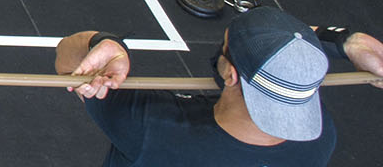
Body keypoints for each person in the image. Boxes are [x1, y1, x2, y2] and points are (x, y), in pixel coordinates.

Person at [58, 9, 383, 165]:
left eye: (225, 43)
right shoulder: (319, 139)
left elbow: (67, 62)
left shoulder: (151, 127)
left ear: (229, 73)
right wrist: (345, 41)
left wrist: (105, 43)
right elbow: (291, 55)